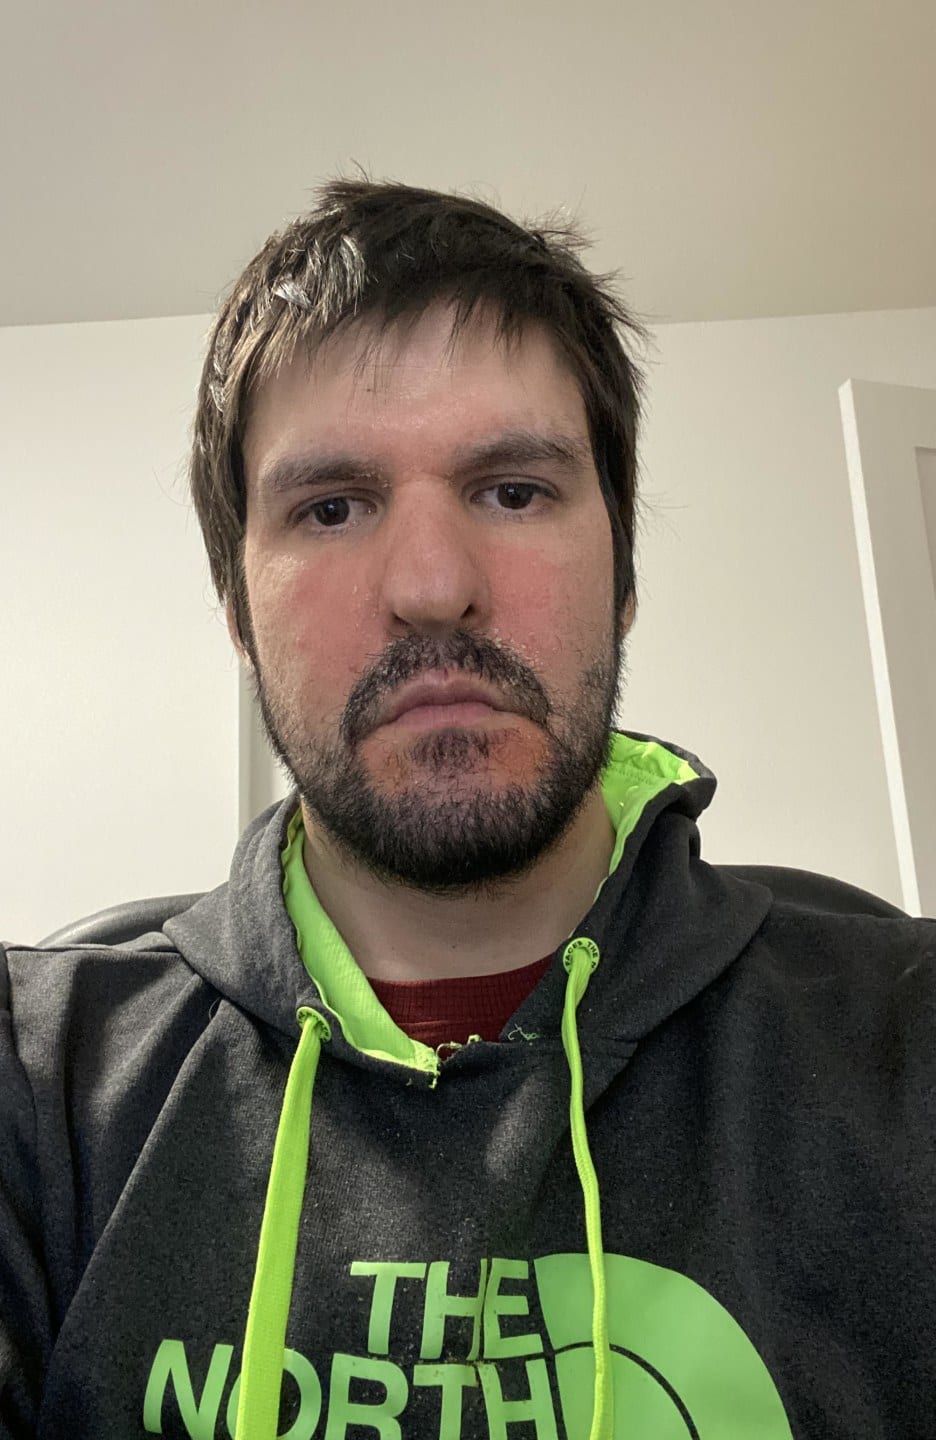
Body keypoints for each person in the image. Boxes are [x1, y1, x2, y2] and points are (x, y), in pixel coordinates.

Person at [1, 179, 933, 1440]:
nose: (434, 587)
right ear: (238, 615)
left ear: (624, 576)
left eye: (512, 490)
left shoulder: (906, 1046)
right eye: (332, 507)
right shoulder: (36, 1084)